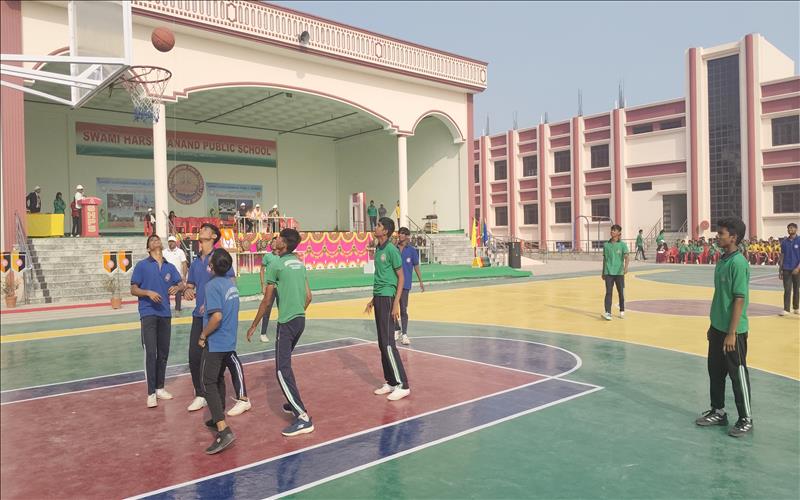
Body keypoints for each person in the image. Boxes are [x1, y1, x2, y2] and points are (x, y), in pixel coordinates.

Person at [246, 228, 314, 436]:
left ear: (284, 243)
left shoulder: (275, 265)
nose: (275, 240)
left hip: (286, 323)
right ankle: (293, 403)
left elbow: (267, 301)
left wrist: (254, 325)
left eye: (279, 238)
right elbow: (309, 296)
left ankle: (302, 417)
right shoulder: (299, 264)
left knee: (281, 370)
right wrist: (297, 311)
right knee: (286, 365)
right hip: (300, 320)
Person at [184, 223, 251, 416]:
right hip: (199, 317)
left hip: (216, 316)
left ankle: (242, 397)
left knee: (227, 356)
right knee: (195, 356)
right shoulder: (196, 262)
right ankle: (201, 394)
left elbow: (231, 285)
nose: (201, 230)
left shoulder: (219, 258)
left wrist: (214, 304)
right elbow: (191, 284)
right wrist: (187, 290)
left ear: (214, 236)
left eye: (205, 229)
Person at [695, 217, 753, 438]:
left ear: (734, 237)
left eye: (721, 234)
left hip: (733, 331)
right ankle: (718, 411)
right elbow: (720, 296)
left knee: (738, 374)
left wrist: (731, 332)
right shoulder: (722, 260)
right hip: (718, 328)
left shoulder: (738, 263)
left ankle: (746, 418)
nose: (717, 236)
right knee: (715, 371)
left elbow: (739, 299)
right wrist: (714, 326)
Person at [130, 234, 183, 408]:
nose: (156, 241)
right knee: (151, 352)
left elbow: (181, 283)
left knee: (163, 352)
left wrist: (177, 287)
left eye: (157, 239)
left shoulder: (169, 266)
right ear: (148, 248)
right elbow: (133, 289)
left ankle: (160, 387)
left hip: (165, 313)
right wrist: (148, 293)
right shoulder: (142, 265)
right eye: (152, 240)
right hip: (148, 313)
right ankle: (151, 393)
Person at [198, 248, 240, 454]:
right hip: (229, 341)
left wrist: (203, 334)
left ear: (212, 266)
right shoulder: (231, 285)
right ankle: (218, 416)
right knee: (218, 379)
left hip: (216, 342)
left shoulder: (212, 285)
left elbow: (217, 318)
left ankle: (223, 430)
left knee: (207, 383)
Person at [364, 217, 410, 401]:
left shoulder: (391, 250)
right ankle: (390, 381)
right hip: (379, 297)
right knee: (382, 343)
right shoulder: (379, 249)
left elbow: (401, 278)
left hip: (389, 298)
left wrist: (396, 303)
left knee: (389, 343)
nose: (375, 228)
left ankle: (403, 385)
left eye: (379, 225)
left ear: (386, 231)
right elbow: (382, 276)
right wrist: (373, 300)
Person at [393, 227, 424, 346]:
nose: (399, 235)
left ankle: (404, 334)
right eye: (399, 233)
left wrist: (421, 281)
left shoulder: (412, 251)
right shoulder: (393, 249)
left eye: (402, 233)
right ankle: (396, 329)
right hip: (393, 284)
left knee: (403, 309)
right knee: (392, 308)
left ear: (407, 236)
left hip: (405, 285)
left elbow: (416, 266)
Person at [601, 224, 629, 321]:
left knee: (620, 292)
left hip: (619, 272)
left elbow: (627, 257)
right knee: (608, 292)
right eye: (612, 230)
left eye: (614, 230)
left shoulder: (623, 245)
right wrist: (603, 272)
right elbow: (605, 259)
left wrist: (626, 268)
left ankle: (622, 310)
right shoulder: (606, 245)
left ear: (619, 233)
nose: (612, 231)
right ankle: (608, 312)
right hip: (608, 272)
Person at [258, 243, 280, 343]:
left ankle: (280, 333)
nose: (274, 244)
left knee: (282, 310)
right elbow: (262, 270)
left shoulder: (282, 256)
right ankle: (263, 333)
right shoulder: (267, 256)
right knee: (267, 310)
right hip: (270, 287)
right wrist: (263, 285)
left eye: (276, 242)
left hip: (280, 288)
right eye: (273, 242)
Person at [778, 223, 800, 316]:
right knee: (787, 289)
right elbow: (782, 256)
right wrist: (780, 269)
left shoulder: (799, 240)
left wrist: (798, 268)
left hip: (797, 269)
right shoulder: (784, 242)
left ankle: (796, 308)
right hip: (786, 268)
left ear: (796, 229)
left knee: (796, 289)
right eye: (788, 228)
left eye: (791, 228)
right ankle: (786, 309)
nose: (789, 229)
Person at [163, 236, 188, 315]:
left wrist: (184, 276)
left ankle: (177, 309)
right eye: (170, 241)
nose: (171, 243)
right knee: (165, 292)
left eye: (172, 241)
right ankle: (165, 308)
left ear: (175, 242)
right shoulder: (164, 252)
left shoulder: (180, 252)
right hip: (166, 276)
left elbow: (184, 264)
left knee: (178, 292)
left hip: (177, 276)